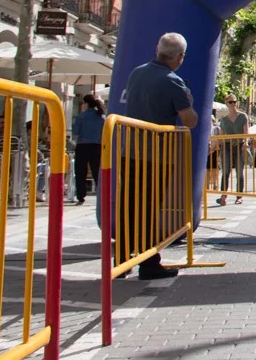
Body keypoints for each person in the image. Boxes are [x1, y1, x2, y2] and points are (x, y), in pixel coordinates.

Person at [121, 32, 199, 280]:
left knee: (130, 205)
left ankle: (122, 259)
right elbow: (190, 120)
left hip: (129, 150)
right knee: (149, 207)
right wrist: (190, 100)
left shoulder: (136, 73)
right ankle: (149, 262)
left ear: (158, 48)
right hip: (156, 155)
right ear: (180, 57)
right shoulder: (173, 81)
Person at [71, 94, 105, 205]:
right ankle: (101, 195)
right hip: (97, 147)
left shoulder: (81, 117)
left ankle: (81, 196)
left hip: (83, 146)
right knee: (97, 172)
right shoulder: (102, 118)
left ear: (86, 104)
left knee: (80, 172)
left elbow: (75, 131)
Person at [217, 95, 248, 206]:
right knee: (225, 172)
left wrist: (246, 142)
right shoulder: (224, 120)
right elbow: (221, 136)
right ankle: (223, 196)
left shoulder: (243, 116)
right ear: (226, 103)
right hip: (227, 146)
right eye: (230, 102)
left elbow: (246, 133)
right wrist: (216, 147)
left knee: (239, 172)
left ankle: (239, 196)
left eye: (234, 101)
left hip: (239, 145)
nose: (233, 104)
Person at [207, 110, 221, 191]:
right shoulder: (205, 129)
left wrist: (214, 147)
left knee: (215, 168)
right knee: (207, 168)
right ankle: (207, 185)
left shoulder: (216, 129)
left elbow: (219, 140)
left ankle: (215, 184)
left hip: (215, 150)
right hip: (207, 151)